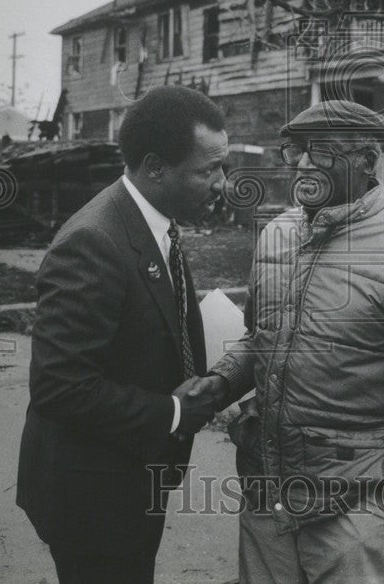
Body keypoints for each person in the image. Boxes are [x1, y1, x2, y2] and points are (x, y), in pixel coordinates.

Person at [204, 99, 384, 584]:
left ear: (365, 160)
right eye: (297, 151)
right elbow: (263, 340)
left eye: (321, 152)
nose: (303, 163)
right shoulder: (277, 237)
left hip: (354, 516)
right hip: (265, 500)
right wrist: (218, 383)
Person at [16, 85, 230, 584]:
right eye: (207, 169)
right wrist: (177, 412)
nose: (221, 183)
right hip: (91, 499)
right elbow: (59, 387)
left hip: (131, 476)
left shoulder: (153, 223)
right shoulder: (93, 242)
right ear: (154, 168)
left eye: (223, 165)